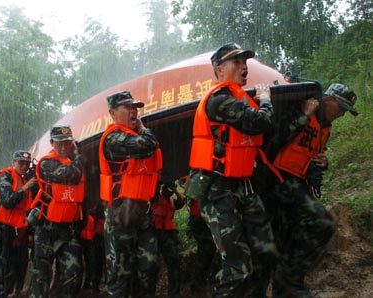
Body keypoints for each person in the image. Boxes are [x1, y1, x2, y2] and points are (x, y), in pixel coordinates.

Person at [186, 42, 278, 297]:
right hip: (217, 190)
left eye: (244, 62)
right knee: (238, 267)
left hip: (243, 186)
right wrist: (267, 101)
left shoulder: (241, 99)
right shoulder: (219, 100)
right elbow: (261, 123)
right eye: (236, 62)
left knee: (266, 253)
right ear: (218, 70)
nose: (243, 66)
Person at [269, 83, 358, 297]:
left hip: (297, 181)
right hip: (277, 177)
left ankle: (285, 287)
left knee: (288, 235)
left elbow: (310, 154)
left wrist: (322, 162)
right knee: (322, 223)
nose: (342, 114)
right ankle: (289, 279)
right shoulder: (303, 109)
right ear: (328, 99)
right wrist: (304, 114)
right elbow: (277, 137)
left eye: (346, 111)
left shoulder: (325, 127)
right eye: (340, 108)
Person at [99, 90, 162, 297]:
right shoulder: (113, 138)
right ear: (113, 113)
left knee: (149, 266)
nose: (133, 112)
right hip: (120, 214)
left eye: (135, 108)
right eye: (127, 107)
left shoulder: (135, 136)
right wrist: (144, 128)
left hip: (142, 212)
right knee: (120, 274)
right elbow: (148, 145)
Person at [29, 125, 86, 298]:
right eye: (59, 143)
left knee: (74, 271)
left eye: (67, 143)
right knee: (41, 274)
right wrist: (77, 155)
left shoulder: (74, 162)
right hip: (47, 227)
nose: (63, 147)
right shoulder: (47, 163)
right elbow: (72, 175)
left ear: (72, 143)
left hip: (68, 228)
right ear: (52, 143)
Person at [0, 150, 37, 298]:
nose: (23, 166)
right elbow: (8, 201)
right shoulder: (6, 176)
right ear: (13, 163)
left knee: (7, 272)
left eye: (26, 163)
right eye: (20, 162)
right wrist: (26, 188)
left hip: (8, 229)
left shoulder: (23, 180)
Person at [151, 182, 185, 297]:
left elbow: (182, 201)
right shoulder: (155, 198)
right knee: (151, 265)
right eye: (167, 190)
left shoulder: (172, 200)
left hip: (169, 235)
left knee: (174, 263)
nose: (168, 192)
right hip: (154, 233)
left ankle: (173, 293)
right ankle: (149, 292)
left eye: (170, 191)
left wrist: (175, 190)